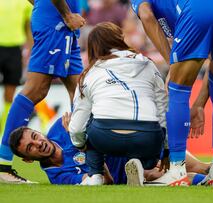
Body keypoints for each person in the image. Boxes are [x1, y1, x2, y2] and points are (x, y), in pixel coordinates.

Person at [131, 0, 213, 186]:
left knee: (177, 89)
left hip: (200, 6)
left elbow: (146, 16)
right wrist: (199, 103)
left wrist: (172, 63)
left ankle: (177, 170)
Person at [8, 116, 213, 187]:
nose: (39, 143)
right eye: (31, 147)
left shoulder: (63, 128)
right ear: (27, 158)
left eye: (35, 136)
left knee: (206, 167)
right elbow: (104, 184)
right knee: (190, 176)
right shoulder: (58, 177)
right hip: (135, 176)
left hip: (141, 148)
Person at [68, 22, 166, 185]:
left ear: (93, 47)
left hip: (106, 137)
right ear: (121, 39)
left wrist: (80, 144)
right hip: (148, 138)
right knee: (148, 133)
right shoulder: (147, 63)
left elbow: (77, 126)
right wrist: (166, 149)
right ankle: (143, 165)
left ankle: (95, 175)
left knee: (87, 121)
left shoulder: (90, 74)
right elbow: (163, 106)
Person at [0, 0, 85, 183]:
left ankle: (89, 159)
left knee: (80, 92)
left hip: (63, 21)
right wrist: (66, 15)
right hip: (58, 21)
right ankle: (3, 165)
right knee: (36, 90)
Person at [0, 0, 32, 136]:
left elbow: (27, 27)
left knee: (10, 91)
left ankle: (2, 132)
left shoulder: (24, 2)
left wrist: (30, 49)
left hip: (15, 49)